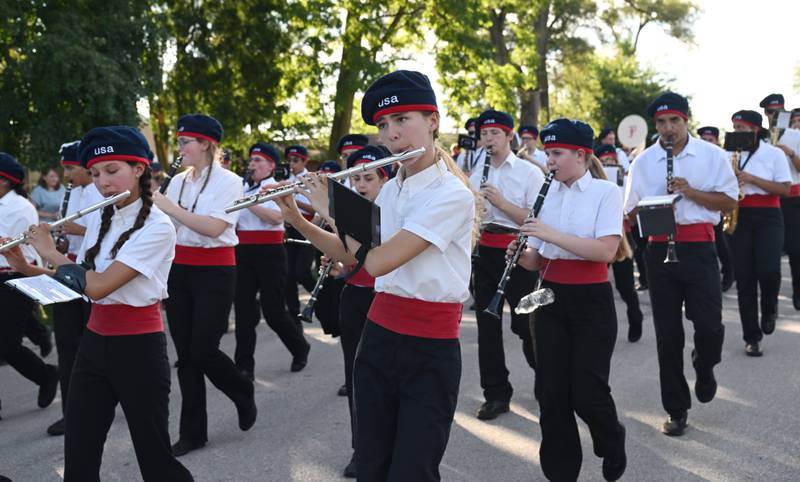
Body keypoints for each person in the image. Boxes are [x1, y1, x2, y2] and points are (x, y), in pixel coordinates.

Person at [272, 70, 478, 480]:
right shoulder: (393, 188)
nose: (391, 134)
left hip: (429, 348)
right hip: (379, 337)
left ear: (433, 121)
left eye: (403, 120)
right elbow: (350, 256)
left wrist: (331, 205)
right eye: (384, 125)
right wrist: (297, 217)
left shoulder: (451, 195)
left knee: (412, 471)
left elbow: (380, 261)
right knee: (370, 465)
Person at [9, 126, 192, 481]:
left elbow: (99, 286)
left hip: (138, 348)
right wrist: (27, 266)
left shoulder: (158, 226)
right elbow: (79, 284)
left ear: (139, 169)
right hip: (94, 344)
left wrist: (49, 252)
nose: (102, 182)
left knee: (155, 461)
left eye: (112, 171)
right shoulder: (99, 218)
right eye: (94, 174)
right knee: (79, 453)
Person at [515, 118, 627, 482]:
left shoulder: (605, 193)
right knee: (552, 395)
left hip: (591, 300)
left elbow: (605, 251)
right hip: (547, 297)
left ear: (581, 155)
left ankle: (612, 439)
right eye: (548, 153)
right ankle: (561, 473)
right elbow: (538, 257)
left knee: (587, 393)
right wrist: (521, 255)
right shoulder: (546, 194)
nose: (550, 161)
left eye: (557, 153)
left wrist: (550, 233)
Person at [624, 92, 738, 436]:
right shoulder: (643, 161)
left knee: (709, 327)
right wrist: (652, 208)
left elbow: (729, 201)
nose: (667, 128)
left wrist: (690, 192)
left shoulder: (711, 155)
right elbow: (628, 212)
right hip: (659, 252)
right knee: (668, 336)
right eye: (661, 123)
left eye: (674, 121)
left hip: (699, 248)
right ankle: (676, 408)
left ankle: (705, 367)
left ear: (685, 120)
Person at [153, 114, 257, 457]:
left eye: (186, 142)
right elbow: (165, 225)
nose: (180, 148)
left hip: (215, 270)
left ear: (206, 145)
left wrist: (170, 206)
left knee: (203, 348)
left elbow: (213, 228)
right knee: (186, 357)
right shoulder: (179, 181)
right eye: (180, 142)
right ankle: (193, 432)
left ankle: (241, 389)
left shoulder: (229, 181)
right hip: (179, 269)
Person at [317, 145, 391, 477]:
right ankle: (360, 449)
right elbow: (348, 263)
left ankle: (388, 448)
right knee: (356, 376)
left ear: (384, 180)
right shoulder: (349, 212)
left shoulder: (394, 212)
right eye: (356, 178)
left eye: (368, 178)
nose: (361, 185)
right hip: (355, 298)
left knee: (386, 381)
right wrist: (336, 268)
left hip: (387, 302)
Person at [469, 109, 544, 420]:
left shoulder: (529, 173)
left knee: (526, 325)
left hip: (519, 251)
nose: (488, 140)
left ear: (510, 136)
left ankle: (546, 376)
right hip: (485, 251)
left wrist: (500, 203)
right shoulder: (476, 173)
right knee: (487, 327)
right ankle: (496, 394)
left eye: (495, 134)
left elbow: (536, 219)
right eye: (484, 134)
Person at [233, 142, 310, 381]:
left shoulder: (275, 188)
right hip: (242, 251)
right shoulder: (241, 187)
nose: (252, 164)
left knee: (274, 311)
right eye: (251, 160)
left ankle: (300, 347)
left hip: (270, 251)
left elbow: (278, 217)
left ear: (270, 165)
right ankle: (244, 366)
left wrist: (248, 202)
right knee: (244, 312)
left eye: (258, 161)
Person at [42, 140, 101, 436]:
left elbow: (104, 229)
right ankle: (72, 412)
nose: (65, 175)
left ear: (83, 165)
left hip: (91, 270)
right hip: (67, 266)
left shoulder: (98, 190)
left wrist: (68, 227)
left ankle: (108, 400)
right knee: (67, 343)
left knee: (96, 342)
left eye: (69, 168)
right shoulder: (75, 191)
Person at [728, 110, 792, 356]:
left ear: (755, 130)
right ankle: (752, 337)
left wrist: (752, 178)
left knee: (769, 270)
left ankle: (770, 307)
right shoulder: (729, 154)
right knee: (744, 279)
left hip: (768, 217)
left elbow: (785, 189)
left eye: (741, 128)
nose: (736, 132)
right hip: (740, 216)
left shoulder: (773, 154)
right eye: (734, 127)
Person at [0, 153, 59, 415]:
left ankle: (46, 375)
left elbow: (15, 247)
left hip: (16, 277)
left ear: (4, 181)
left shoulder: (19, 208)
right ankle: (38, 332)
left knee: (7, 345)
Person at [597, 144, 644, 342]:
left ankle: (635, 316)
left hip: (621, 236)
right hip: (598, 238)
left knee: (625, 286)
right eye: (605, 161)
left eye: (611, 160)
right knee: (597, 285)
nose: (609, 163)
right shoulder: (592, 183)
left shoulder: (626, 179)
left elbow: (633, 205)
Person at [760, 94, 800, 311]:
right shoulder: (762, 139)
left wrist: (790, 153)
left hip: (794, 197)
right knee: (771, 256)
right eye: (770, 112)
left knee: (796, 249)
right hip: (771, 200)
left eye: (778, 112)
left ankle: (798, 290)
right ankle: (770, 301)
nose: (775, 116)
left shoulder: (795, 135)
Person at [696, 126, 735, 291]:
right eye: (704, 140)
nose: (707, 143)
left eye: (710, 140)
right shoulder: (696, 156)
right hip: (699, 204)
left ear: (717, 141)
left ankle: (728, 273)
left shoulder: (722, 156)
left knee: (720, 243)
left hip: (716, 204)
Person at [284, 144, 317, 323]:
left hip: (308, 226)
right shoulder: (285, 178)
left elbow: (315, 207)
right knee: (288, 274)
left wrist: (294, 200)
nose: (291, 164)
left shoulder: (311, 179)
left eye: (295, 160)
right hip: (290, 228)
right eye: (289, 160)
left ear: (305, 161)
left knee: (301, 272)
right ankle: (293, 312)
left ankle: (321, 298)